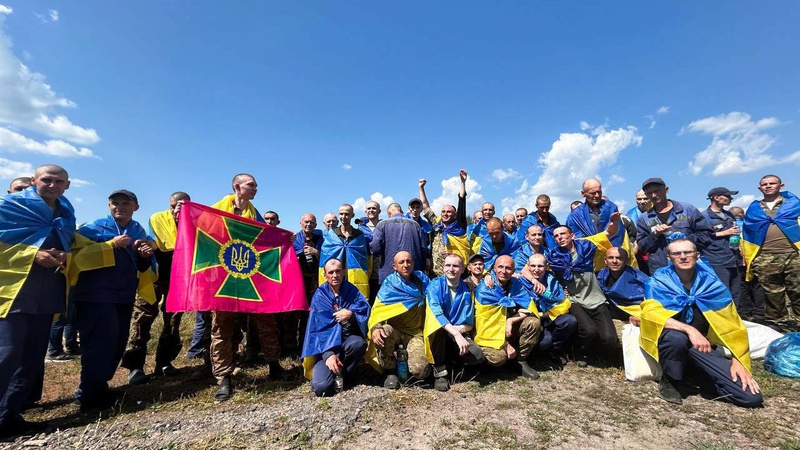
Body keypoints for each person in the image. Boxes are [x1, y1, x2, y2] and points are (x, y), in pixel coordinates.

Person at [639, 239, 762, 407]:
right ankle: (671, 380)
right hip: (671, 343)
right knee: (677, 339)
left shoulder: (712, 284)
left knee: (750, 397)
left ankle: (695, 374)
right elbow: (651, 315)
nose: (683, 257)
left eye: (688, 252)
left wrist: (738, 359)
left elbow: (733, 324)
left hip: (701, 346)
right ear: (669, 258)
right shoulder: (658, 282)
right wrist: (690, 330)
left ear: (697, 255)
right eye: (677, 253)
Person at [0, 165, 75, 437]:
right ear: (34, 181)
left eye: (59, 181)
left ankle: (9, 416)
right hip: (12, 293)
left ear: (67, 185)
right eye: (47, 180)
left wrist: (65, 255)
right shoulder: (8, 206)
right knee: (6, 355)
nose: (52, 185)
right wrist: (32, 255)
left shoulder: (66, 213)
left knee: (31, 359)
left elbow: (69, 243)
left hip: (47, 294)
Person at [70, 189, 157, 411]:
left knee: (117, 342)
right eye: (114, 203)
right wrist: (110, 245)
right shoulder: (92, 228)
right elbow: (77, 257)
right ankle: (88, 395)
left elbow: (142, 265)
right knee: (99, 344)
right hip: (96, 295)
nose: (119, 206)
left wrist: (145, 254)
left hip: (123, 295)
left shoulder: (137, 229)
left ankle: (99, 386)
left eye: (125, 203)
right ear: (109, 206)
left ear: (135, 207)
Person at [207, 173, 288, 403]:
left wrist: (283, 240)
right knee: (222, 327)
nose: (255, 189)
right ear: (237, 187)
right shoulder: (218, 209)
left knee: (266, 321)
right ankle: (223, 377)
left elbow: (266, 237)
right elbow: (202, 229)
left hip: (251, 276)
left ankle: (273, 364)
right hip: (225, 277)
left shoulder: (255, 213)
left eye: (255, 185)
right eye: (251, 185)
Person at [120, 191, 190, 385]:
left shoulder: (194, 223)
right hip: (154, 277)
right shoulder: (158, 218)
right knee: (142, 319)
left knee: (173, 321)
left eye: (183, 205)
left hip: (179, 279)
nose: (177, 209)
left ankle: (164, 362)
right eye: (174, 205)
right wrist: (147, 246)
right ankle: (135, 366)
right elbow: (157, 242)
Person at [548, 223, 619, 367]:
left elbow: (607, 233)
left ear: (572, 235)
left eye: (562, 234)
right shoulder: (553, 256)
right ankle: (576, 351)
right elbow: (534, 268)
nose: (559, 237)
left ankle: (595, 351)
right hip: (574, 299)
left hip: (595, 298)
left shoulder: (587, 247)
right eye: (556, 236)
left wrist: (613, 223)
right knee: (589, 331)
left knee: (610, 338)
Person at [301, 259, 369, 396]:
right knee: (322, 388)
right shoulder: (320, 296)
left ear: (343, 272)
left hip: (346, 342)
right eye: (330, 272)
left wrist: (351, 313)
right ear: (325, 275)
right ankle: (331, 370)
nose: (335, 275)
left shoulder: (352, 291)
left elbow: (364, 310)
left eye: (338, 271)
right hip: (325, 348)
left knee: (358, 344)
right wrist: (329, 355)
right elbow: (318, 330)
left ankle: (346, 373)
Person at [742, 175, 800, 328]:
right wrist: (748, 256)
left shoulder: (794, 204)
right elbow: (746, 233)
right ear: (760, 188)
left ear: (781, 185)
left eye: (772, 183)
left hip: (794, 255)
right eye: (764, 184)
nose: (768, 186)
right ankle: (778, 327)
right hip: (765, 257)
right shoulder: (754, 209)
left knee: (798, 292)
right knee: (772, 295)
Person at [367, 252, 430, 389]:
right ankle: (390, 371)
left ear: (413, 264)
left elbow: (437, 294)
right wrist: (376, 327)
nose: (405, 265)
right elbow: (378, 309)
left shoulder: (422, 280)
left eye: (408, 261)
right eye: (401, 262)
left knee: (420, 370)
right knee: (383, 332)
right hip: (395, 330)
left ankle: (408, 365)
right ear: (394, 266)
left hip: (415, 334)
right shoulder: (390, 283)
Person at [473, 255, 542, 380]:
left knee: (533, 323)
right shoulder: (485, 288)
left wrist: (510, 320)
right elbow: (485, 324)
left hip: (507, 328)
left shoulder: (516, 284)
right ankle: (482, 364)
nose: (503, 271)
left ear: (514, 270)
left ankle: (520, 360)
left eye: (508, 268)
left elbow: (529, 308)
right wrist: (505, 344)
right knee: (498, 358)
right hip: (489, 331)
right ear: (494, 268)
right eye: (500, 267)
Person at [423, 254, 484, 391]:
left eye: (455, 266)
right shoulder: (435, 285)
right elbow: (436, 312)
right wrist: (455, 333)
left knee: (478, 355)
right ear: (443, 268)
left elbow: (469, 322)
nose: (451, 269)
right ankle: (440, 372)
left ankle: (454, 362)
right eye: (448, 265)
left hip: (458, 330)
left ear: (462, 270)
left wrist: (459, 331)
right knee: (437, 328)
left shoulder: (468, 289)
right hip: (439, 330)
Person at [636, 177, 714, 272]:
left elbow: (707, 235)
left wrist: (683, 241)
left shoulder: (688, 210)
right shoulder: (644, 218)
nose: (654, 195)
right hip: (662, 272)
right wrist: (655, 235)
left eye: (657, 191)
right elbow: (643, 247)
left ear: (666, 190)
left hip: (691, 268)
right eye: (649, 193)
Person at [518, 254, 576, 365]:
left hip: (550, 314)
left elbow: (560, 302)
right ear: (528, 267)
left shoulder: (552, 280)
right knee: (544, 343)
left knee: (570, 321)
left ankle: (555, 349)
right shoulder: (521, 281)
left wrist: (545, 293)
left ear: (546, 267)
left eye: (540, 266)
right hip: (532, 318)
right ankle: (536, 351)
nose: (536, 270)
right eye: (533, 266)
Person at [566, 178, 635, 269]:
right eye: (593, 193)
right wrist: (598, 244)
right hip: (590, 260)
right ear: (583, 194)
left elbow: (619, 234)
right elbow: (577, 240)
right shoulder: (575, 215)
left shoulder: (610, 207)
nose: (597, 195)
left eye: (599, 192)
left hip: (613, 257)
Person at [418, 170, 471, 276]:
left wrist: (463, 182)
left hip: (453, 272)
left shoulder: (458, 227)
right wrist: (421, 188)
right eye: (443, 211)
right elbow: (425, 206)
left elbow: (462, 201)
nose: (445, 214)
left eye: (449, 212)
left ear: (455, 215)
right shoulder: (436, 224)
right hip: (434, 272)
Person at [288, 213, 322, 355]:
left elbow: (328, 258)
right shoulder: (294, 239)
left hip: (315, 282)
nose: (308, 225)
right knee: (295, 313)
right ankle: (291, 347)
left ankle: (307, 344)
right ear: (301, 223)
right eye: (306, 222)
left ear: (315, 225)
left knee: (311, 314)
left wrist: (316, 252)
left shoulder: (321, 239)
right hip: (297, 283)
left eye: (311, 222)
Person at [702, 187, 742, 304]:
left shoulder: (729, 214)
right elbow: (701, 237)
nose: (731, 198)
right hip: (717, 260)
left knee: (736, 292)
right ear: (716, 198)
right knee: (722, 292)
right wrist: (724, 233)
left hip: (734, 259)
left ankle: (736, 318)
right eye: (727, 196)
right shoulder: (704, 216)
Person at [321, 204, 370, 297]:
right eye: (341, 214)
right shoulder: (332, 234)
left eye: (346, 214)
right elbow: (326, 255)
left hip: (354, 275)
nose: (343, 217)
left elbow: (363, 258)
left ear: (353, 215)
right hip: (336, 275)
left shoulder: (359, 235)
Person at [370, 203, 426, 284]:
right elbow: (423, 249)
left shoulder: (382, 224)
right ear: (401, 211)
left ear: (388, 213)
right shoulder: (415, 225)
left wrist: (386, 252)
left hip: (389, 273)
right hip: (412, 273)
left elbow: (375, 248)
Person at [729, 206, 766, 321]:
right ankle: (759, 312)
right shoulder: (751, 225)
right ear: (742, 214)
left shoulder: (731, 227)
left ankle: (745, 312)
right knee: (757, 286)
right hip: (754, 259)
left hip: (738, 261)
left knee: (742, 287)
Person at [595, 247, 645, 324]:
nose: (614, 261)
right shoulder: (599, 277)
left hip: (634, 312)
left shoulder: (638, 278)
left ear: (626, 261)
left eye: (619, 258)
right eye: (611, 258)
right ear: (605, 260)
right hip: (610, 313)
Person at [357, 201, 382, 303]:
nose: (371, 210)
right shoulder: (360, 229)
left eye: (374, 208)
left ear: (379, 211)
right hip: (365, 269)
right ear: (365, 211)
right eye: (369, 208)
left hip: (380, 269)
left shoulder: (384, 226)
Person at [627, 189, 652, 275]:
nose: (642, 202)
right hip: (638, 256)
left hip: (656, 254)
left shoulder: (658, 210)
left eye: (645, 198)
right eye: (639, 199)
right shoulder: (630, 214)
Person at [406, 196, 433, 273]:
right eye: (412, 207)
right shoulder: (403, 222)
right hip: (406, 256)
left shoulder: (426, 225)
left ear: (421, 209)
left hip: (420, 258)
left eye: (418, 207)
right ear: (409, 208)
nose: (415, 210)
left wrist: (427, 258)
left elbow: (428, 243)